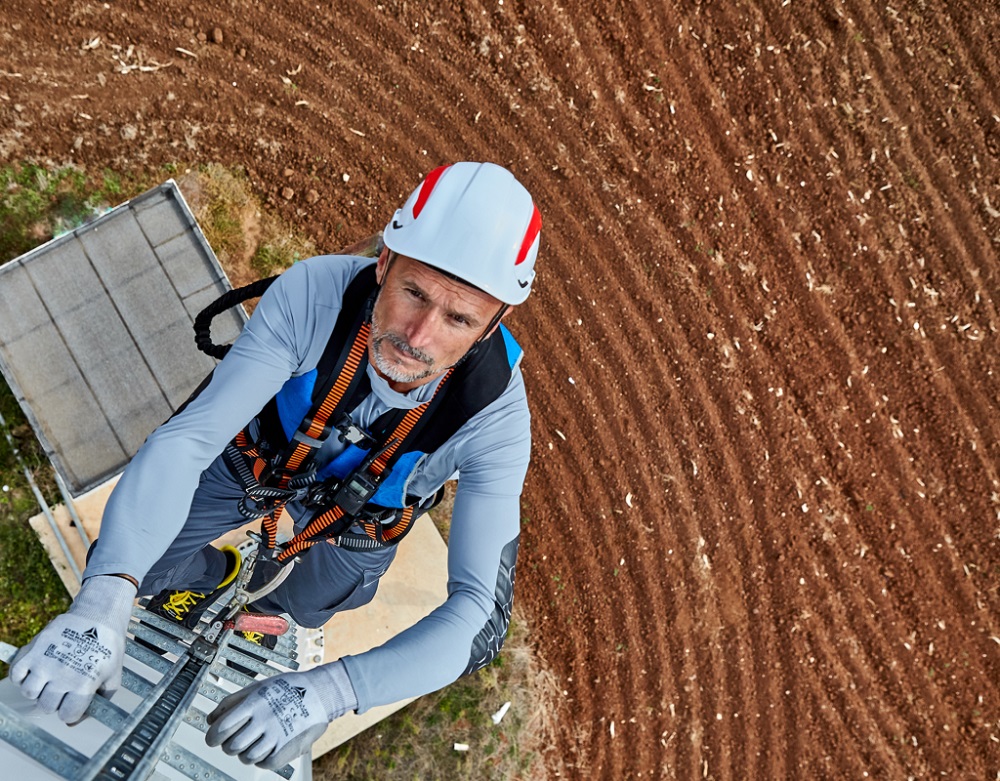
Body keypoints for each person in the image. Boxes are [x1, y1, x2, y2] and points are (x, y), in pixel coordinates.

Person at [10, 161, 541, 770]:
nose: (417, 336)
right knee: (140, 563)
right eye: (413, 293)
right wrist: (104, 597)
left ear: (492, 324)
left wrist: (332, 693)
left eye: (458, 319)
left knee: (317, 600)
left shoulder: (495, 417)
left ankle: (281, 615)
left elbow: (479, 615)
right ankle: (210, 575)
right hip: (260, 461)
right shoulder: (315, 295)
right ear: (385, 263)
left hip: (363, 516)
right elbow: (188, 441)